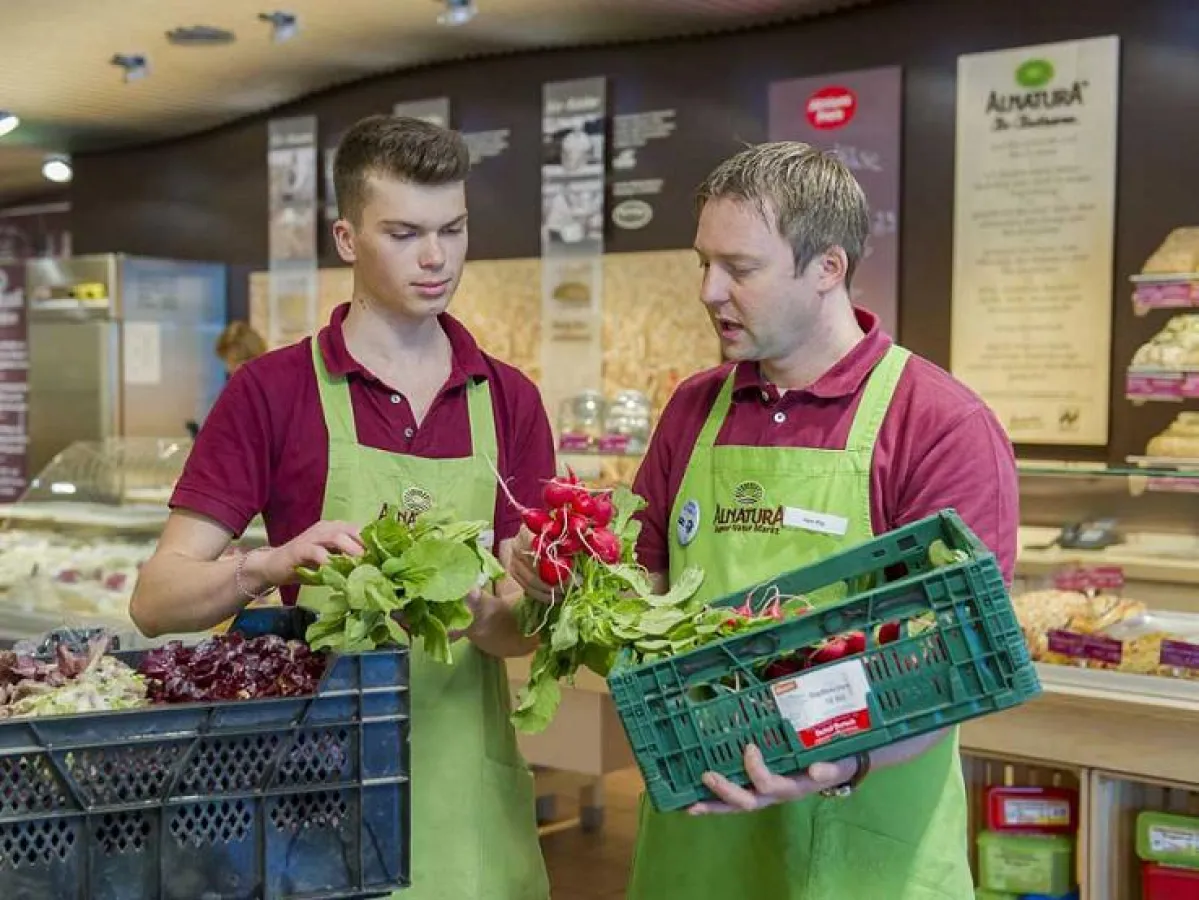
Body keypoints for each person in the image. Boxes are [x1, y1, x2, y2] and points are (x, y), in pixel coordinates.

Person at [513, 142, 1018, 899]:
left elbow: (954, 656)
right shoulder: (693, 408)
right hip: (698, 841)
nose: (709, 290)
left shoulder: (938, 422)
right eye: (702, 263)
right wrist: (564, 584)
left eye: (740, 269)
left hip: (860, 847)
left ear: (827, 268)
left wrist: (839, 759)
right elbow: (641, 595)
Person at [131, 114, 554, 900]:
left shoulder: (510, 400)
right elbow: (156, 603)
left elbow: (511, 636)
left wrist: (501, 607)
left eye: (452, 230)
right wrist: (266, 564)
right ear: (346, 238)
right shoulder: (269, 393)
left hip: (468, 805)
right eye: (403, 232)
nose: (436, 258)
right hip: (314, 802)